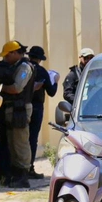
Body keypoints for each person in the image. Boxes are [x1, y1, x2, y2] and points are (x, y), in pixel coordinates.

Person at [0, 41, 36, 188]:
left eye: (7, 55)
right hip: (13, 110)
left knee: (20, 143)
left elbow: (17, 88)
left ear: (16, 53)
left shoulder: (24, 67)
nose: (5, 59)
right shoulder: (15, 66)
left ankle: (23, 176)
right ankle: (16, 175)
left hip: (20, 110)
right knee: (12, 143)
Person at [26, 46, 58, 178]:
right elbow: (51, 92)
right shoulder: (41, 71)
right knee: (32, 138)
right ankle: (30, 168)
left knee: (20, 138)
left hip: (22, 106)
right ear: (39, 59)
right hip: (37, 107)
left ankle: (19, 167)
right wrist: (55, 81)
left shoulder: (23, 68)